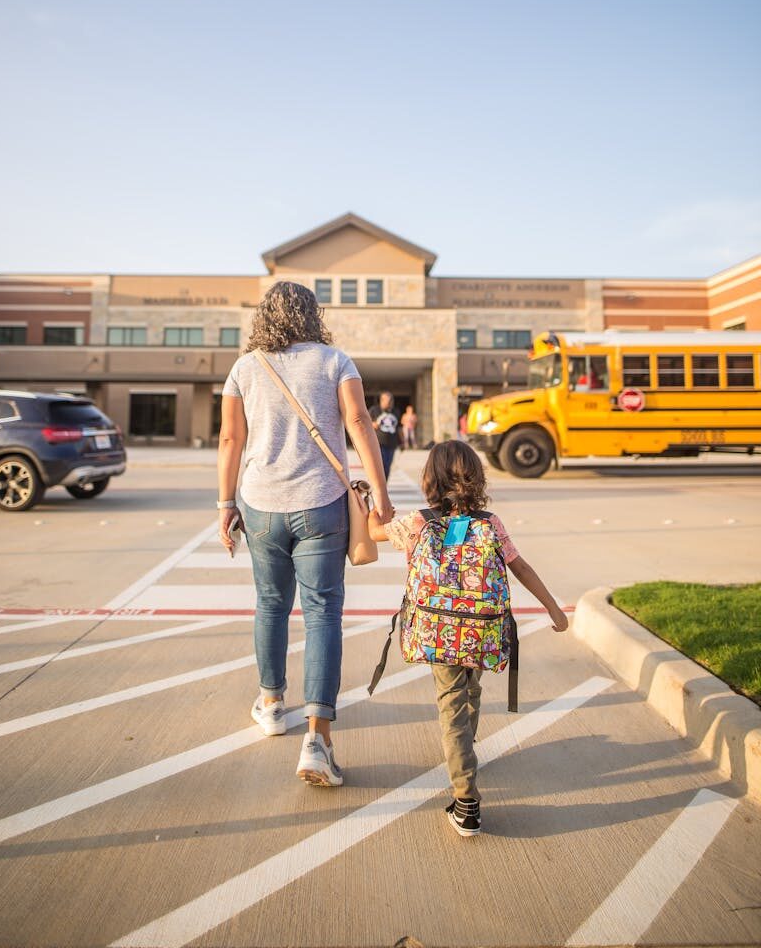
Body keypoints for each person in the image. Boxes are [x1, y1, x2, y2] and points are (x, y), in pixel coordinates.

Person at [218, 281, 394, 787]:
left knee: (270, 604)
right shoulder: (335, 360)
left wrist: (225, 505)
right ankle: (317, 740)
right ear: (312, 314)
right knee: (323, 615)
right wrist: (378, 492)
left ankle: (272, 703)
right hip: (323, 505)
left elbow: (231, 438)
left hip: (261, 505)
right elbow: (359, 421)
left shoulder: (244, 367)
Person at [369, 440, 568, 836]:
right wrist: (553, 607)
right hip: (480, 630)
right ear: (476, 478)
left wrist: (367, 505)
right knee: (470, 688)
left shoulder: (418, 523)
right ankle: (467, 747)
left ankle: (466, 799)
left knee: (451, 705)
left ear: (430, 479)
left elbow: (373, 532)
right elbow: (520, 567)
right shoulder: (490, 523)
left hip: (438, 631)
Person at [368, 391, 400, 479]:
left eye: (391, 400)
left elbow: (399, 428)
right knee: (380, 465)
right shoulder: (374, 410)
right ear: (382, 400)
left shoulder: (396, 411)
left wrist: (402, 442)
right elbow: (365, 422)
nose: (390, 402)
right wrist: (373, 424)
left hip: (392, 444)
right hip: (378, 443)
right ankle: (379, 485)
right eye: (388, 400)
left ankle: (384, 485)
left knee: (387, 466)